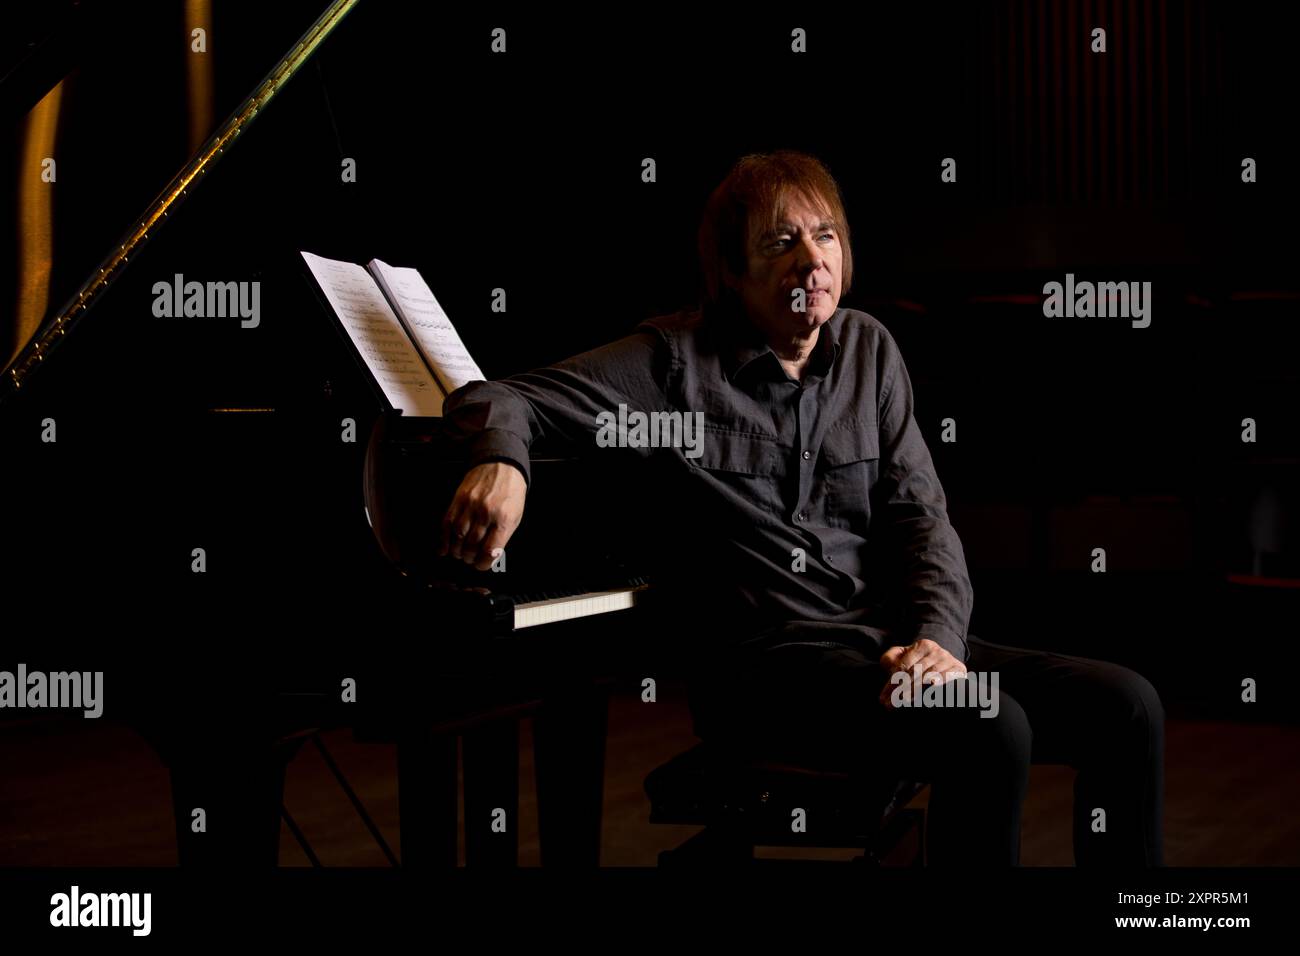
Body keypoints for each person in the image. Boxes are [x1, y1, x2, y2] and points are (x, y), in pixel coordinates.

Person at [436, 150, 1164, 866]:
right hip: (771, 673)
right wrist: (502, 459)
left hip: (886, 646)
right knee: (989, 727)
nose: (810, 261)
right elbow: (500, 394)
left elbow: (923, 521)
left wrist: (938, 638)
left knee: (1126, 707)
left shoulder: (868, 350)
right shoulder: (673, 361)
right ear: (731, 272)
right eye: (779, 242)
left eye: (825, 236)